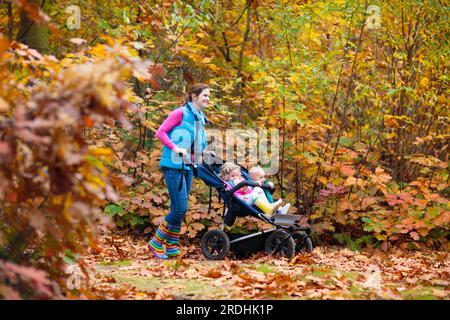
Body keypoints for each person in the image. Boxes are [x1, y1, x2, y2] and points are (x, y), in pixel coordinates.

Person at [148, 83, 214, 259]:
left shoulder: (199, 117)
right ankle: (156, 242)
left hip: (188, 166)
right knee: (180, 208)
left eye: (208, 96)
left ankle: (171, 245)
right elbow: (160, 132)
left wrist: (206, 153)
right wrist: (175, 147)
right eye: (205, 95)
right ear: (194, 96)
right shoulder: (180, 113)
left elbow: (194, 146)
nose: (208, 99)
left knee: (179, 207)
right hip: (173, 165)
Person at [219, 162, 283, 218]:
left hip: (247, 196)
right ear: (226, 177)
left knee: (257, 189)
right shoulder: (227, 184)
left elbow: (249, 190)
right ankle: (268, 211)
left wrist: (245, 188)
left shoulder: (242, 180)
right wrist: (240, 197)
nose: (236, 177)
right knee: (253, 195)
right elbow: (231, 194)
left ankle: (268, 205)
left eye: (237, 175)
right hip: (240, 201)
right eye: (232, 176)